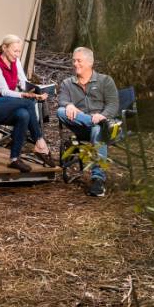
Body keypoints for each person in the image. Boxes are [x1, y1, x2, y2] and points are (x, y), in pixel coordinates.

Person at [0, 34, 53, 172]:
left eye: (19, 51)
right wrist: (25, 95)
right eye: (15, 51)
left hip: (5, 105)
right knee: (27, 103)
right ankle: (40, 142)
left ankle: (14, 159)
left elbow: (23, 82)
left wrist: (36, 91)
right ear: (4, 48)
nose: (17, 54)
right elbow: (4, 91)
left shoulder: (16, 62)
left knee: (23, 114)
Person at [57, 46, 119, 197]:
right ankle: (97, 123)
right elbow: (63, 100)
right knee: (61, 111)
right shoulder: (67, 83)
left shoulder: (105, 80)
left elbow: (113, 105)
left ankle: (98, 180)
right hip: (81, 126)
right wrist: (69, 105)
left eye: (79, 61)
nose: (75, 64)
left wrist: (103, 116)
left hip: (102, 126)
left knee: (97, 130)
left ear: (90, 63)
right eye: (74, 61)